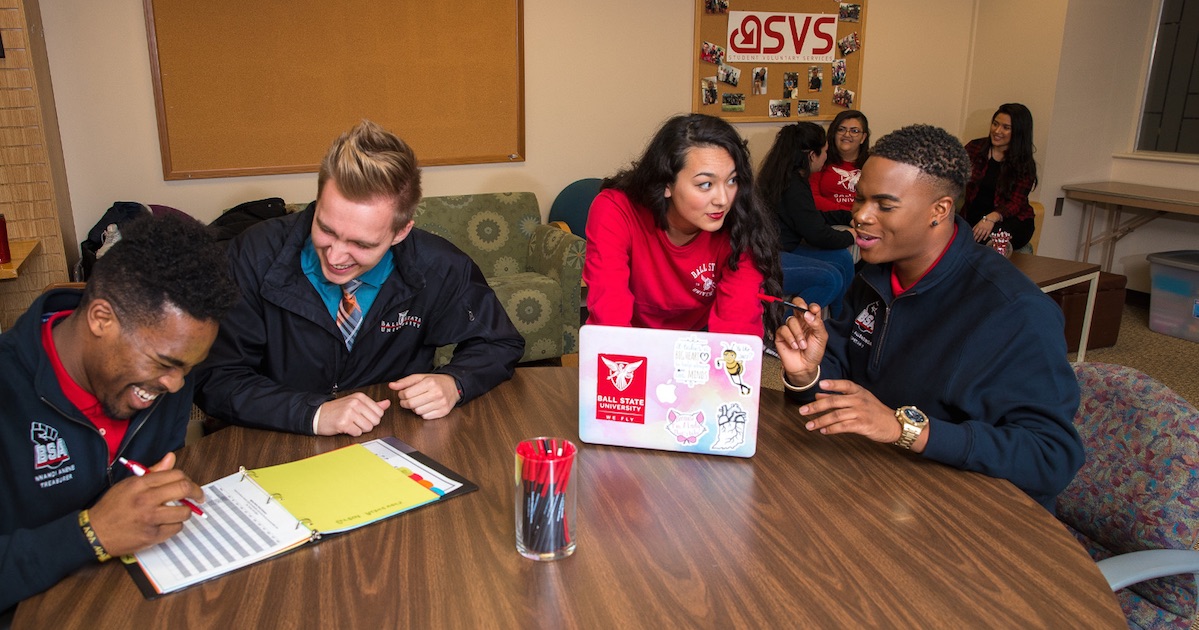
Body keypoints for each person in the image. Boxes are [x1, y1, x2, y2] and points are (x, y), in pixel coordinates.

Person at [773, 124, 1083, 511]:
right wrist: (808, 375)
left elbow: (1051, 457)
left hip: (976, 516)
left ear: (940, 211)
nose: (861, 216)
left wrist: (906, 429)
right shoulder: (873, 276)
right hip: (884, 489)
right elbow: (846, 380)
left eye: (884, 205)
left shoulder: (1016, 311)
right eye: (860, 199)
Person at [194, 120, 524, 436]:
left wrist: (455, 382)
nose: (335, 256)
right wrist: (313, 413)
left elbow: (499, 342)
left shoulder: (438, 265)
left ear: (400, 231)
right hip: (272, 439)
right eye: (325, 229)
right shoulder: (253, 255)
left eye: (361, 244)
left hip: (390, 440)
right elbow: (215, 378)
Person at [0, 214, 239, 610]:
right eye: (164, 363)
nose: (177, 386)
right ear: (101, 319)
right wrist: (90, 533)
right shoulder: (9, 391)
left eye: (188, 368)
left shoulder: (163, 380)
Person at [584, 113, 782, 337]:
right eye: (705, 184)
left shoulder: (740, 224)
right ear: (666, 183)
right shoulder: (616, 210)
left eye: (732, 180)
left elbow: (736, 331)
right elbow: (610, 319)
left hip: (701, 338)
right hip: (632, 336)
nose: (723, 200)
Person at [757, 122, 855, 317]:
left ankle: (840, 321)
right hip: (769, 257)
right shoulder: (792, 185)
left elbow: (809, 218)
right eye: (825, 151)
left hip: (785, 248)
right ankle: (785, 331)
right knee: (830, 278)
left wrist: (847, 216)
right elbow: (816, 234)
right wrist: (851, 236)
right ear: (811, 155)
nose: (826, 157)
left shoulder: (792, 178)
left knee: (842, 259)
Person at [961, 103, 1039, 252]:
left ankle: (1016, 250)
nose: (997, 131)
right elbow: (953, 174)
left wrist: (991, 218)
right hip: (974, 216)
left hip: (1010, 220)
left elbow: (1015, 203)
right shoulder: (974, 148)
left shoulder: (1024, 163)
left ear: (1018, 132)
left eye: (1006, 127)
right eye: (995, 124)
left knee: (989, 239)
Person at [809, 109, 870, 224]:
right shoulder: (820, 161)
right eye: (841, 130)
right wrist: (847, 214)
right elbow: (813, 198)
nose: (847, 135)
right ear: (833, 134)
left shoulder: (872, 164)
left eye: (854, 131)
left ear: (863, 137)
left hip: (864, 221)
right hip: (830, 221)